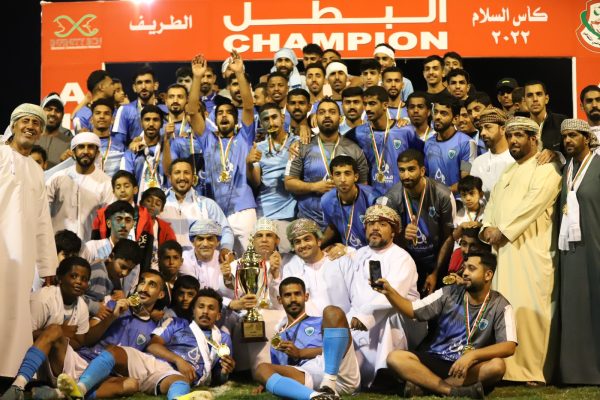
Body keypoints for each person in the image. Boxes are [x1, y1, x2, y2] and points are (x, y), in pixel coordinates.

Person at [480, 116, 561, 384]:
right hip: (503, 253)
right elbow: (491, 205)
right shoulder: (508, 171)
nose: (513, 141)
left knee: (531, 311)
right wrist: (486, 228)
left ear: (534, 139)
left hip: (531, 253)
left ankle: (535, 371)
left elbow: (532, 205)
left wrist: (502, 231)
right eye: (510, 136)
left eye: (519, 136)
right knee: (508, 311)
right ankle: (507, 370)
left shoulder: (547, 169)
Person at [381, 251, 517, 399]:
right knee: (395, 358)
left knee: (497, 366)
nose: (465, 272)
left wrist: (473, 355)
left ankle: (426, 387)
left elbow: (509, 346)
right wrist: (389, 292)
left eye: (471, 268)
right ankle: (450, 390)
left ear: (488, 275)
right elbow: (413, 310)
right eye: (464, 267)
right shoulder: (448, 293)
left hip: (467, 367)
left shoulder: (501, 305)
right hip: (436, 359)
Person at [57, 288, 233, 400]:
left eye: (211, 308)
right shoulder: (176, 323)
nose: (205, 311)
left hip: (172, 376)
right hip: (153, 362)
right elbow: (153, 346)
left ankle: (179, 398)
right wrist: (179, 360)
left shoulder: (223, 338)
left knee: (179, 381)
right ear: (193, 310)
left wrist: (225, 372)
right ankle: (80, 388)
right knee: (115, 351)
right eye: (201, 306)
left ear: (218, 315)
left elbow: (218, 376)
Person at [0, 104, 58, 379]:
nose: (31, 127)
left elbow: (42, 220)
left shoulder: (36, 170)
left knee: (15, 311)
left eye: (37, 124)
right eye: (26, 121)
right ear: (13, 125)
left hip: (22, 255)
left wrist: (47, 266)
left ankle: (9, 374)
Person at [53, 270, 169, 400]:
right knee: (55, 335)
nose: (144, 288)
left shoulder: (154, 329)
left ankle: (62, 393)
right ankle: (72, 390)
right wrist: (112, 317)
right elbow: (87, 338)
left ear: (161, 294)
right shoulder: (113, 304)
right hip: (81, 359)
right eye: (142, 282)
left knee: (131, 384)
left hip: (106, 376)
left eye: (152, 285)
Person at [192, 51, 257, 254]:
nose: (224, 116)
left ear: (236, 119)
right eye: (220, 113)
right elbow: (192, 111)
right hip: (216, 210)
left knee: (250, 261)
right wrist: (196, 77)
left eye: (229, 113)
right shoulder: (208, 139)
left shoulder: (244, 137)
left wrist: (239, 73)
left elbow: (248, 106)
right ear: (214, 118)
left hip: (243, 209)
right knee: (221, 262)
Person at [254, 277, 360, 400]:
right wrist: (266, 380)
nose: (293, 299)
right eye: (287, 295)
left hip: (339, 372)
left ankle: (329, 384)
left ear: (306, 296)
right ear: (279, 300)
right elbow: (280, 371)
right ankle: (315, 397)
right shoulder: (278, 339)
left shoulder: (322, 321)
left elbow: (341, 346)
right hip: (309, 375)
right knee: (261, 369)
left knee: (332, 312)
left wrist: (300, 353)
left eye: (297, 294)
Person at [0, 257, 91, 400]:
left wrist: (60, 341)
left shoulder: (82, 306)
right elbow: (23, 335)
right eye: (74, 276)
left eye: (84, 279)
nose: (79, 281)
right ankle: (19, 386)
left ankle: (56, 392)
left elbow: (79, 341)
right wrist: (59, 332)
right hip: (28, 359)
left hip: (58, 363)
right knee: (55, 330)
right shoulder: (43, 299)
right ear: (59, 277)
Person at [558, 118, 600, 384]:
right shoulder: (566, 169)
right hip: (570, 251)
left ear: (587, 138)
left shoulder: (598, 166)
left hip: (595, 247)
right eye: (565, 137)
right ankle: (575, 371)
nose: (568, 141)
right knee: (574, 306)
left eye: (573, 135)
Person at [378, 149, 455, 294]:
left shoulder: (443, 195)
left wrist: (436, 273)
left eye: (411, 169)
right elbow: (388, 241)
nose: (406, 175)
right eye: (402, 170)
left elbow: (448, 237)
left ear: (422, 170)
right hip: (407, 260)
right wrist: (402, 236)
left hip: (437, 259)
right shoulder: (392, 198)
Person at [285, 98, 369, 228]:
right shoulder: (301, 147)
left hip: (344, 224)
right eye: (322, 112)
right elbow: (289, 183)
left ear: (340, 118)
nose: (327, 115)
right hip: (309, 224)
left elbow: (363, 186)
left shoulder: (355, 149)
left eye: (332, 112)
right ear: (316, 118)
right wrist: (314, 187)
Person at [347, 85, 422, 196]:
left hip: (401, 195)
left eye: (372, 104)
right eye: (365, 104)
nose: (367, 109)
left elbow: (421, 158)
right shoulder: (358, 133)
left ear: (385, 105)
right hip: (372, 195)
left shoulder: (405, 131)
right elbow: (339, 142)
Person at [47, 131, 115, 242]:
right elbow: (42, 209)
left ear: (97, 152)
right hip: (57, 245)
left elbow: (110, 219)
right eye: (81, 147)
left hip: (90, 246)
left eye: (91, 147)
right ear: (73, 152)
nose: (86, 151)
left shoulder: (107, 183)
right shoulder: (57, 178)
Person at [247, 103, 298, 249]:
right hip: (264, 214)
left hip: (288, 213)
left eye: (274, 117)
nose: (271, 122)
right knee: (264, 258)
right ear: (261, 123)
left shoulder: (297, 142)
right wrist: (249, 163)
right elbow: (256, 182)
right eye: (266, 119)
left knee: (286, 256)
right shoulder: (259, 147)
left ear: (282, 118)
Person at [160, 158, 234, 256]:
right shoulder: (159, 204)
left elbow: (225, 230)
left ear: (193, 178)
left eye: (186, 173)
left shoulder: (207, 204)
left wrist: (225, 249)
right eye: (177, 172)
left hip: (200, 262)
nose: (182, 177)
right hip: (167, 261)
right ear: (170, 178)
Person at [282, 219, 354, 317]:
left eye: (307, 239)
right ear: (293, 247)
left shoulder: (340, 261)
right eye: (297, 242)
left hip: (344, 323)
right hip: (308, 325)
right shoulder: (290, 269)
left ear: (319, 241)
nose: (303, 245)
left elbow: (357, 296)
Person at [321, 155, 378, 249]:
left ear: (356, 177)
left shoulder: (372, 198)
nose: (342, 179)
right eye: (338, 174)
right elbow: (332, 227)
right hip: (347, 250)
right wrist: (319, 245)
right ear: (332, 178)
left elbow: (380, 232)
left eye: (347, 174)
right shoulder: (326, 200)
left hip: (372, 249)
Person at [81, 233, 142, 318]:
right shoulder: (98, 273)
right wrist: (95, 307)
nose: (125, 273)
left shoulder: (114, 276)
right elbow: (73, 296)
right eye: (123, 267)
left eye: (130, 270)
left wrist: (121, 296)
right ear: (111, 257)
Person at [425, 94, 476, 193]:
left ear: (455, 119)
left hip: (457, 199)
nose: (437, 117)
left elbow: (466, 179)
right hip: (433, 199)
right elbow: (426, 175)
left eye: (443, 113)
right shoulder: (428, 143)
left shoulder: (466, 143)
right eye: (435, 112)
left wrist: (443, 193)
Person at [113, 65, 168, 145]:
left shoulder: (166, 111)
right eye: (139, 83)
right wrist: (130, 148)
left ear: (155, 85)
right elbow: (118, 143)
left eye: (147, 82)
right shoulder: (124, 110)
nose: (143, 86)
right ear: (134, 87)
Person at [121, 105, 169, 191]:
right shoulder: (131, 153)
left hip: (166, 197)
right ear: (141, 123)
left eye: (155, 120)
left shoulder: (168, 149)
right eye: (147, 120)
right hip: (140, 198)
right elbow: (125, 183)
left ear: (162, 123)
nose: (151, 124)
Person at [470, 107, 514, 199]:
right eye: (481, 128)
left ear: (503, 129)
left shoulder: (515, 160)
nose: (482, 133)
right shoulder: (478, 162)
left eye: (488, 127)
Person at [524, 80, 567, 158]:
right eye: (530, 95)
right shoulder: (521, 127)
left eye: (539, 94)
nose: (535, 99)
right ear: (524, 101)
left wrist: (557, 155)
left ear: (546, 99)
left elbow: (573, 153)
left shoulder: (562, 122)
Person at [139, 187, 177, 270]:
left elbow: (172, 250)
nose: (152, 205)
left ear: (161, 209)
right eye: (149, 201)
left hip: (155, 271)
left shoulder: (166, 229)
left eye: (157, 204)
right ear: (141, 203)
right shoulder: (133, 221)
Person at [89, 99, 124, 177]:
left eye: (106, 113)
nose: (102, 116)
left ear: (112, 120)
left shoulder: (120, 146)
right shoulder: (83, 144)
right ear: (91, 119)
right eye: (98, 113)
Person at [72, 70, 115, 134]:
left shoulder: (117, 110)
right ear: (101, 87)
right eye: (111, 84)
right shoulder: (81, 116)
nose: (114, 88)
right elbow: (81, 139)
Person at [39, 93, 72, 168]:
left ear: (62, 115)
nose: (53, 113)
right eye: (49, 109)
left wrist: (66, 163)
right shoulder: (31, 139)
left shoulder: (70, 142)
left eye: (57, 111)